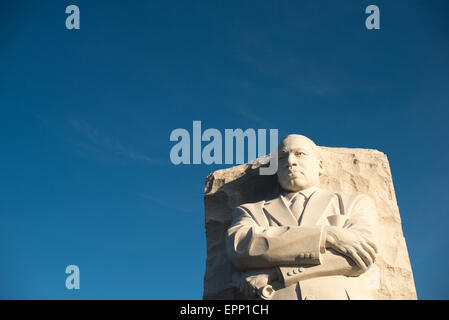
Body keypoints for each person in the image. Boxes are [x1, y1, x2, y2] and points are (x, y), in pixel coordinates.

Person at [226, 134, 378, 300]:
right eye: (282, 157)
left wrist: (275, 273)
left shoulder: (352, 203)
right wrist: (326, 236)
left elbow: (361, 258)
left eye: (300, 154)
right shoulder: (251, 211)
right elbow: (241, 248)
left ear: (320, 166)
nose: (290, 162)